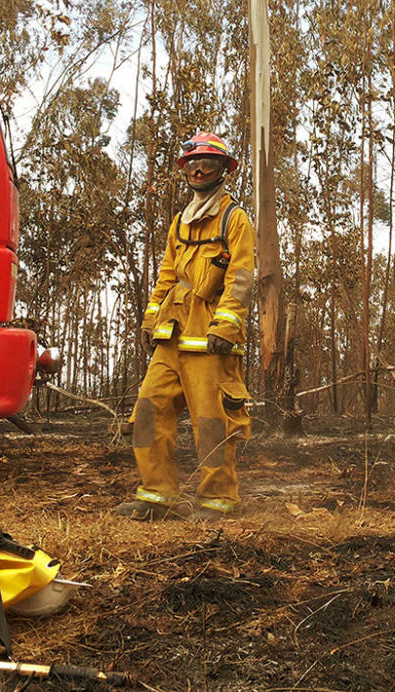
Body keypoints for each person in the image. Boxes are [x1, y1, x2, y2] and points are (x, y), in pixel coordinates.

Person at [115, 132, 255, 522]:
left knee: (211, 422)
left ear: (224, 170)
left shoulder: (234, 218)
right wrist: (150, 317)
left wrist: (226, 326)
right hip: (172, 337)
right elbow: (166, 275)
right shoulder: (180, 222)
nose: (198, 169)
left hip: (210, 341)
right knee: (148, 409)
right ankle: (157, 496)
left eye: (208, 162)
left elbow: (241, 277)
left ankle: (217, 502)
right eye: (192, 163)